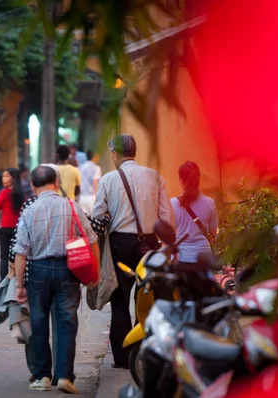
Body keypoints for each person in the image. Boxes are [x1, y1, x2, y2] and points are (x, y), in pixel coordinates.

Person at [14, 165, 100, 394]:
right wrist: (96, 272)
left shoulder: (29, 211)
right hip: (67, 269)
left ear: (32, 186)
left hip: (38, 270)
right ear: (57, 182)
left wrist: (19, 285)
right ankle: (64, 376)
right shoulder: (71, 206)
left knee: (39, 322)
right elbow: (91, 240)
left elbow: (21, 252)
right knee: (66, 322)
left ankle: (42, 376)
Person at [93, 134, 174, 369]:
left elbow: (99, 215)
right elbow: (166, 216)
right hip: (150, 243)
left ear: (116, 155)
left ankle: (122, 358)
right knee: (146, 299)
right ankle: (144, 352)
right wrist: (167, 248)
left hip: (120, 244)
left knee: (119, 301)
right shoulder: (154, 176)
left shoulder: (108, 179)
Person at [171, 161, 218, 265]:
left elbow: (170, 234)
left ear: (181, 180)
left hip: (181, 257)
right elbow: (213, 232)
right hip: (204, 257)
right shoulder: (209, 203)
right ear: (198, 179)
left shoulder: (172, 204)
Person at [0, 168, 25, 281]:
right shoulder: (22, 194)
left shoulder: (4, 193)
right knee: (17, 255)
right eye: (3, 176)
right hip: (18, 229)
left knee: (4, 257)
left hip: (5, 228)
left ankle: (3, 280)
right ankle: (17, 279)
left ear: (13, 179)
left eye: (6, 176)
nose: (3, 179)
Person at [79, 150, 102, 216]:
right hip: (92, 197)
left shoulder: (81, 167)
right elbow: (95, 182)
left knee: (85, 220)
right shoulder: (96, 168)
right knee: (94, 218)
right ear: (93, 157)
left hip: (82, 197)